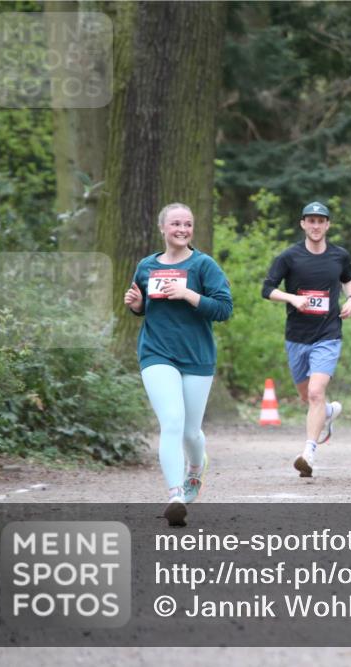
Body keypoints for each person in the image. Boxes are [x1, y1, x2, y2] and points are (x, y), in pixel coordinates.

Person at [124, 203, 233, 526]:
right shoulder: (146, 266)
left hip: (197, 356)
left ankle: (195, 469)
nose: (182, 229)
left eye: (187, 224)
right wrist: (137, 305)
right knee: (171, 420)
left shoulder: (204, 265)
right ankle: (175, 495)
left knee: (190, 432)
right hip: (157, 353)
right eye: (175, 224)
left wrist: (188, 294)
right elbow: (143, 306)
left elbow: (224, 309)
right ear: (163, 228)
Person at [262, 201, 351, 478]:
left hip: (328, 335)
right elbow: (266, 289)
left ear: (327, 225)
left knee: (315, 392)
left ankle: (308, 453)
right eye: (310, 221)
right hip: (296, 337)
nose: (316, 226)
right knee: (307, 396)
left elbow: (348, 278)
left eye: (321, 221)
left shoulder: (339, 255)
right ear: (303, 224)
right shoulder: (289, 257)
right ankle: (327, 412)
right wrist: (292, 298)